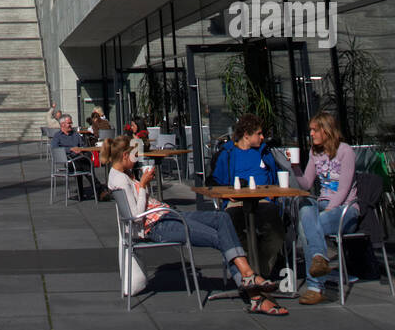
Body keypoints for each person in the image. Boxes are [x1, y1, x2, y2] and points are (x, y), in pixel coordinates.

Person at [101, 135, 287, 313]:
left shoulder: (123, 174)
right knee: (219, 237)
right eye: (134, 156)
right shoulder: (119, 180)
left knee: (222, 218)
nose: (137, 159)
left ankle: (247, 276)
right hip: (159, 226)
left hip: (167, 216)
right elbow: (135, 216)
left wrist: (143, 186)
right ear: (125, 155)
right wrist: (142, 186)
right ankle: (254, 293)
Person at [292, 112, 359, 305]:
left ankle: (315, 287)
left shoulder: (346, 151)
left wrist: (328, 210)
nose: (311, 134)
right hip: (323, 204)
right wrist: (295, 166)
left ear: (326, 130)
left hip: (345, 209)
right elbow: (305, 184)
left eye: (314, 130)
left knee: (308, 227)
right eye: (310, 130)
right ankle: (320, 260)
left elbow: (344, 189)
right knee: (305, 208)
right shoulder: (315, 153)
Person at [211, 114, 285, 280]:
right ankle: (253, 273)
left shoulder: (264, 153)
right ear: (246, 135)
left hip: (263, 201)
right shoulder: (228, 154)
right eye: (258, 133)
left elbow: (275, 176)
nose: (262, 137)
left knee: (276, 232)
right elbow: (216, 181)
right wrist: (226, 194)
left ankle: (261, 272)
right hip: (235, 203)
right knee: (233, 230)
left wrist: (273, 193)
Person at [51, 115, 96, 201]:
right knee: (85, 165)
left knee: (84, 162)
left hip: (79, 158)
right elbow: (55, 149)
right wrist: (70, 149)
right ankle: (97, 189)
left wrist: (81, 149)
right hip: (68, 161)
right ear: (62, 124)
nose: (71, 124)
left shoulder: (75, 134)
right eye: (69, 123)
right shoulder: (57, 136)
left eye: (71, 122)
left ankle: (85, 193)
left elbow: (83, 145)